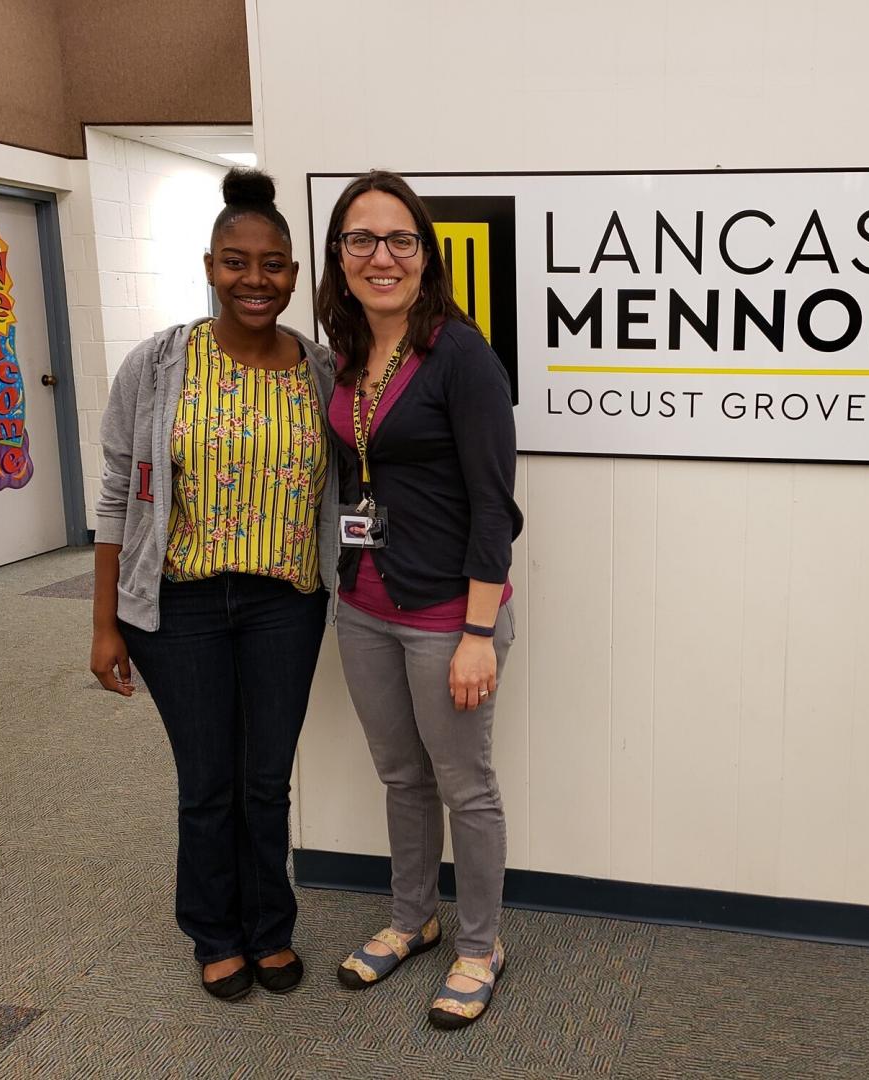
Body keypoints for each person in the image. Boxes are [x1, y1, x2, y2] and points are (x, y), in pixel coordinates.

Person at [89, 169, 336, 1000]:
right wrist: (105, 623)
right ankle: (214, 931)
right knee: (208, 781)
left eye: (271, 265)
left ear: (295, 274)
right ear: (210, 264)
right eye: (236, 262)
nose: (254, 280)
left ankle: (270, 929)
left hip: (285, 604)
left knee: (266, 778)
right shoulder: (159, 365)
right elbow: (118, 495)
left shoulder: (322, 373)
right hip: (181, 605)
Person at [316, 170, 522, 1029]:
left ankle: (481, 945)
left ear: (425, 255)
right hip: (364, 603)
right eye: (360, 239)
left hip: (449, 614)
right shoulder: (343, 353)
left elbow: (494, 504)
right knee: (400, 775)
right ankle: (413, 920)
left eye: (400, 239)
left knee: (462, 785)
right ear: (340, 255)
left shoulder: (461, 355)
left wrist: (480, 630)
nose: (381, 256)